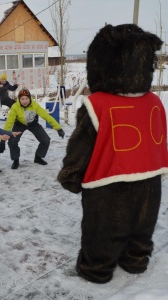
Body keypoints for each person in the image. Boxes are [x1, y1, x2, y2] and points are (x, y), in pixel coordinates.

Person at [58, 24, 168, 284]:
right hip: (149, 179)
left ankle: (96, 268)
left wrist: (71, 174)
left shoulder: (97, 104)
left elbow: (81, 145)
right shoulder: (154, 101)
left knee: (103, 230)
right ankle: (135, 260)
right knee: (142, 225)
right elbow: (160, 136)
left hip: (108, 183)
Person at [4, 88, 65, 169]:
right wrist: (3, 138)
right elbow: (9, 122)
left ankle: (38, 157)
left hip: (33, 124)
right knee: (12, 141)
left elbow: (46, 116)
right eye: (22, 99)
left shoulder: (35, 105)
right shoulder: (15, 107)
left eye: (26, 98)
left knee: (46, 140)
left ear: (30, 98)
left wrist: (58, 128)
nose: (25, 101)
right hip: (19, 124)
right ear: (19, 99)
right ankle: (16, 160)